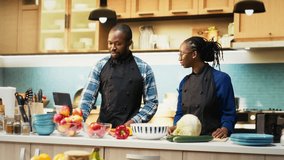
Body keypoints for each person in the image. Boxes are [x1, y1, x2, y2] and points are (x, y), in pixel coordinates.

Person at [79, 24, 159, 128]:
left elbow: (152, 103)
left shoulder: (144, 69)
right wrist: (79, 120)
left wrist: (134, 122)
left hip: (131, 131)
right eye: (110, 43)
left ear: (129, 43)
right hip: (103, 130)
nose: (113, 48)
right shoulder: (99, 66)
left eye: (118, 44)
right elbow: (88, 97)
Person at [169, 36, 236, 139]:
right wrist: (176, 126)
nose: (179, 58)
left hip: (212, 140)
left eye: (182, 54)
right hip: (187, 140)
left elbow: (229, 112)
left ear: (194, 54)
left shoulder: (221, 79)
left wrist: (225, 128)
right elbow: (180, 113)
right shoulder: (184, 82)